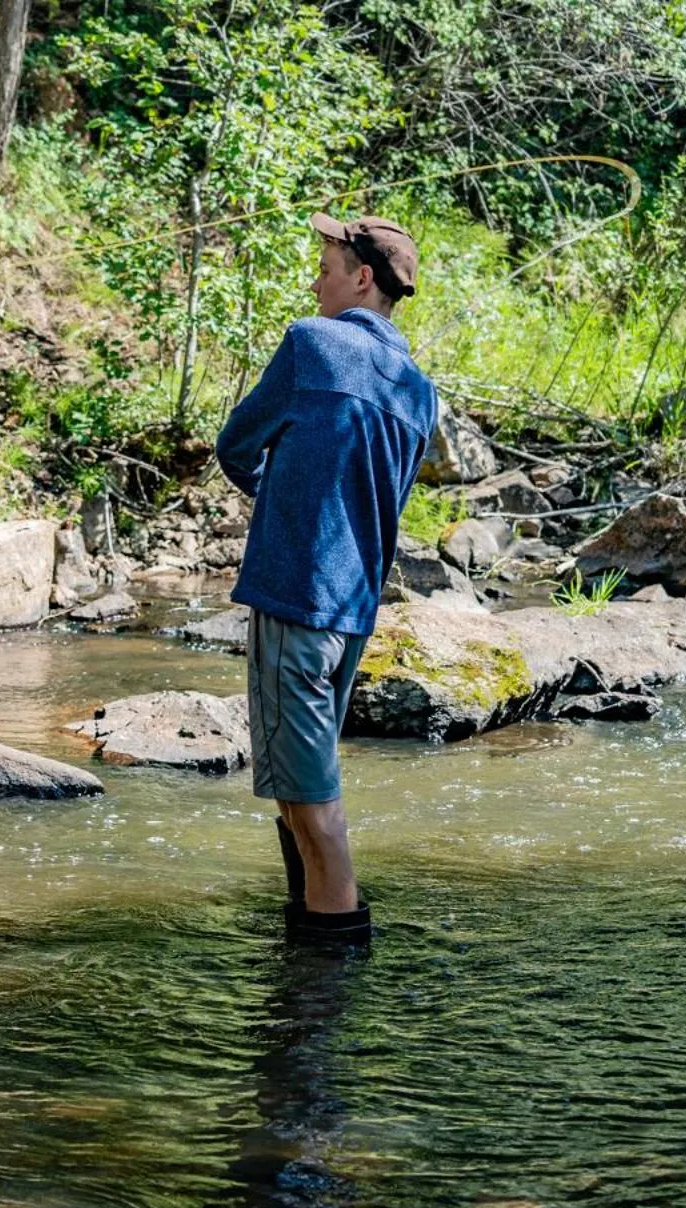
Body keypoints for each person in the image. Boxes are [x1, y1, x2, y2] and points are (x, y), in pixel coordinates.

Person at [214, 214, 438, 947]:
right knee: (297, 794)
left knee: (312, 805)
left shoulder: (311, 345)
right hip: (352, 614)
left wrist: (280, 500)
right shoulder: (418, 390)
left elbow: (237, 444)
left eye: (326, 265)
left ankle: (324, 994)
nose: (316, 280)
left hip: (297, 597)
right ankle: (305, 961)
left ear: (361, 278)